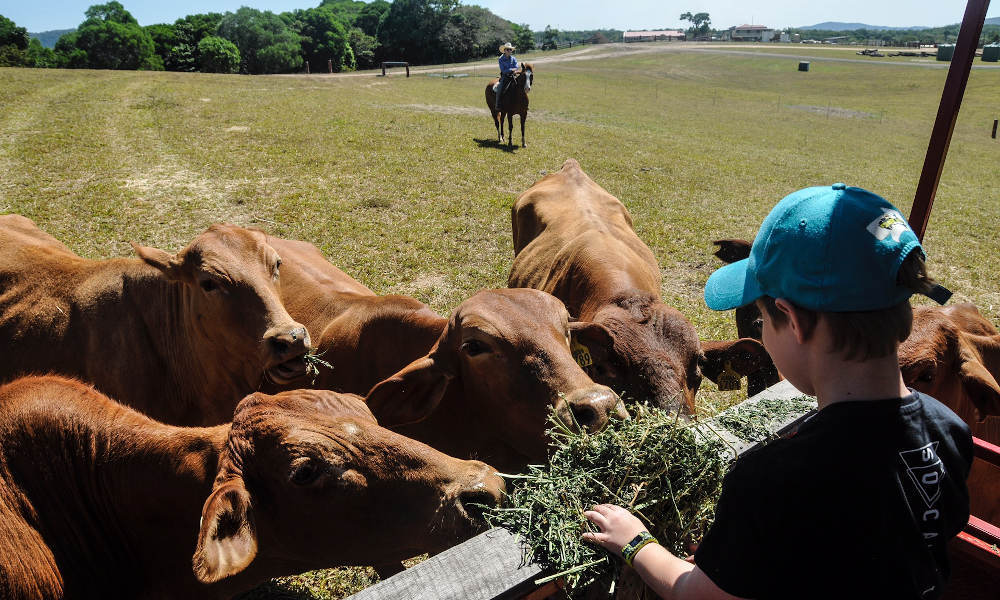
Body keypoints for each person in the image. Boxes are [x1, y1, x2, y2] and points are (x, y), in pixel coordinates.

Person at [582, 183, 973, 599]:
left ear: (793, 321)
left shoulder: (772, 479)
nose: (763, 335)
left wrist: (637, 543)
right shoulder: (950, 431)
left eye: (762, 322)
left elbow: (700, 594)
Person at [495, 42, 519, 112]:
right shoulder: (501, 59)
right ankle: (497, 104)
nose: (509, 51)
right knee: (500, 87)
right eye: (507, 49)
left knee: (521, 85)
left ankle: (522, 103)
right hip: (505, 77)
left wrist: (514, 69)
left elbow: (516, 66)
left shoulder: (513, 58)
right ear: (504, 50)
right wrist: (511, 69)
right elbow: (503, 70)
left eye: (510, 50)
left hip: (513, 75)